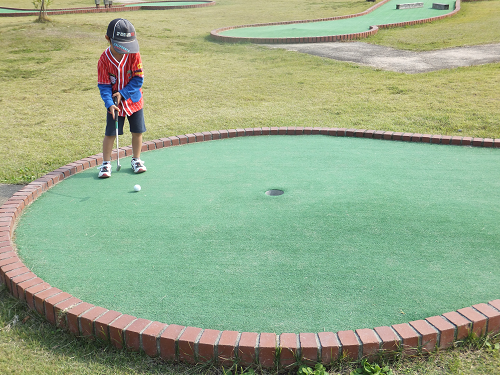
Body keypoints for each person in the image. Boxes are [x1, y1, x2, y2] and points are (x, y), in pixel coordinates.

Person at [97, 18, 147, 178]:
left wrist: (123, 93)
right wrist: (109, 103)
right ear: (108, 39)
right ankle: (106, 164)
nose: (124, 49)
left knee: (137, 131)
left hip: (134, 101)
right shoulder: (104, 60)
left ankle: (136, 159)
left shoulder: (134, 55)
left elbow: (138, 78)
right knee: (111, 133)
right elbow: (104, 85)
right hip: (114, 105)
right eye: (119, 45)